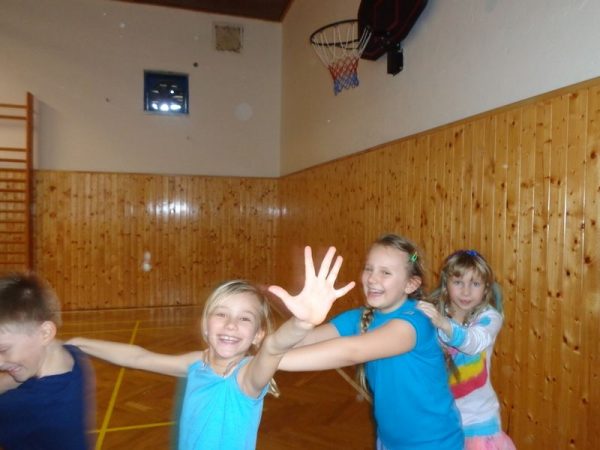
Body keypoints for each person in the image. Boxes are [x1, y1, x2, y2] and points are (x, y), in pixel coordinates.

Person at [69, 246, 354, 450]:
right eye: (221, 314)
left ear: (257, 335)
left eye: (244, 318)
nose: (231, 324)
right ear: (205, 326)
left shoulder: (246, 378)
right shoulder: (197, 363)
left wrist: (303, 323)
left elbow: (274, 348)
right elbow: (139, 357)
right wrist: (80, 343)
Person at [278, 234, 464, 450]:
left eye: (385, 272)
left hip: (435, 443)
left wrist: (269, 361)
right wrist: (302, 321)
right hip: (389, 440)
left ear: (410, 284)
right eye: (369, 269)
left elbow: (352, 351)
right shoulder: (358, 317)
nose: (372, 279)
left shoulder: (416, 321)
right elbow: (303, 341)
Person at [417, 249, 516, 450]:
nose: (466, 291)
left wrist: (444, 325)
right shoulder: (435, 314)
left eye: (475, 284)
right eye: (458, 282)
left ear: (486, 288)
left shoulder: (489, 317)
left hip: (479, 421)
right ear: (446, 283)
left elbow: (474, 341)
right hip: (440, 418)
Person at [0, 272, 95, 450]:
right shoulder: (71, 355)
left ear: (45, 333)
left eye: (3, 349)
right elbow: (9, 381)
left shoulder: (24, 406)